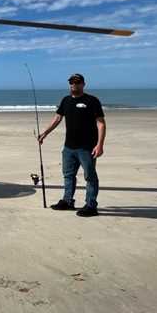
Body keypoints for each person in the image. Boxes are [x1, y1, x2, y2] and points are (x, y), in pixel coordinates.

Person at [37, 73, 106, 217]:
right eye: (72, 82)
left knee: (90, 177)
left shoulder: (92, 101)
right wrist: (45, 133)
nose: (74, 85)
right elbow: (57, 118)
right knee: (68, 175)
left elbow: (100, 123)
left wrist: (99, 145)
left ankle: (91, 205)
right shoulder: (66, 100)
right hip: (69, 147)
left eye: (77, 82)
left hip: (87, 147)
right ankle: (68, 201)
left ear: (83, 84)